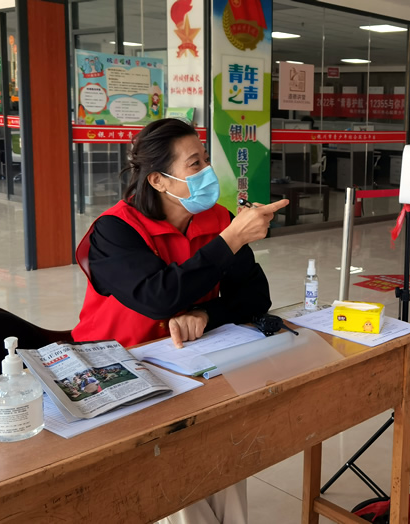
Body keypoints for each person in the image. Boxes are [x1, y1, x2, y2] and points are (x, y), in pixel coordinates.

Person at [72, 118, 289, 524]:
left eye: (206, 159)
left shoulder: (216, 219)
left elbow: (256, 297)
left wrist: (206, 313)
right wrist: (231, 241)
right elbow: (158, 298)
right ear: (158, 180)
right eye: (195, 164)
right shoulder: (114, 230)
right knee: (176, 471)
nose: (208, 172)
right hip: (116, 370)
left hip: (187, 364)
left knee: (225, 456)